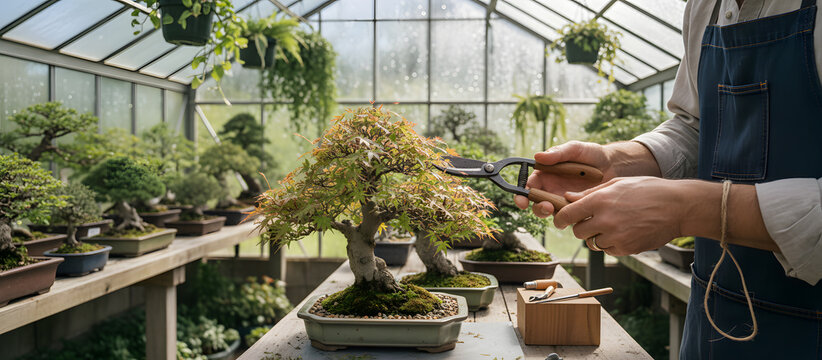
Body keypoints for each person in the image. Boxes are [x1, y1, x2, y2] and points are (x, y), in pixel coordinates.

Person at [515, 0, 822, 358]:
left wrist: (688, 209)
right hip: (712, 319)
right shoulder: (705, 6)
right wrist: (618, 161)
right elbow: (696, 126)